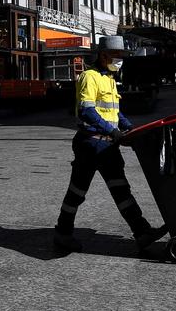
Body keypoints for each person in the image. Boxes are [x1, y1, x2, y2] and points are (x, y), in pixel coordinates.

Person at [53, 36, 167, 253]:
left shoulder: (109, 79)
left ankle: (142, 232)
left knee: (121, 189)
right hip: (90, 143)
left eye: (122, 56)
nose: (120, 59)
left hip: (107, 146)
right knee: (77, 192)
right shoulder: (89, 77)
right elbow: (86, 110)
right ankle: (62, 233)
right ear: (103, 55)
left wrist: (129, 127)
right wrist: (114, 132)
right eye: (117, 55)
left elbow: (114, 111)